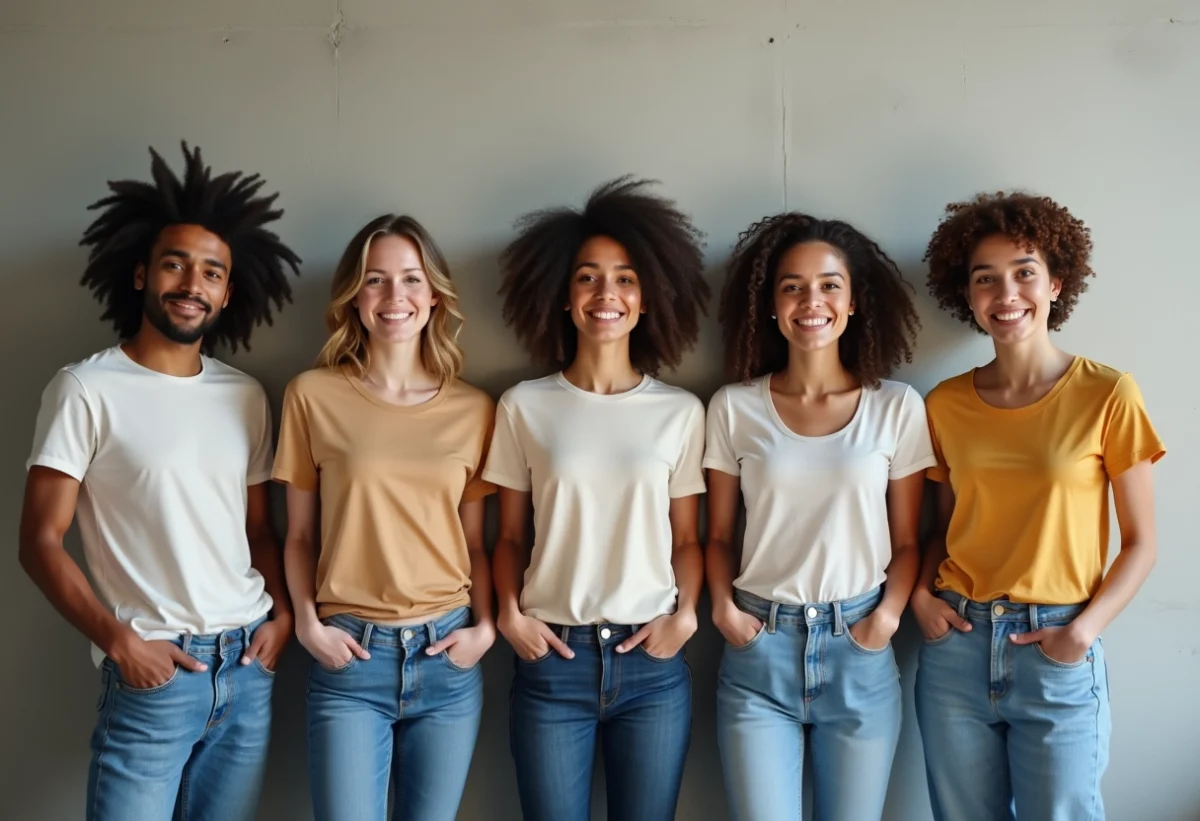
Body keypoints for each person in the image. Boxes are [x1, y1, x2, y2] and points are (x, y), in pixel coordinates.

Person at [19, 142, 300, 821]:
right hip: (155, 672)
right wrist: (119, 642)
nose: (191, 282)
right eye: (175, 263)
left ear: (228, 292)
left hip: (248, 664)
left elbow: (260, 528)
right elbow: (40, 541)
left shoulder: (246, 396)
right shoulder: (86, 389)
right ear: (142, 273)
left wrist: (283, 615)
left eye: (211, 271)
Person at [912, 192, 1166, 821]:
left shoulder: (1107, 393)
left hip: (1055, 644)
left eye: (1024, 272)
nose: (1007, 293)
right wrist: (922, 597)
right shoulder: (943, 404)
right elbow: (942, 528)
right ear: (966, 296)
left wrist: (1082, 632)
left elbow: (1141, 543)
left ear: (1056, 283)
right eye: (985, 279)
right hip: (956, 650)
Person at [484, 177, 710, 821]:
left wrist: (686, 614)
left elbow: (688, 539)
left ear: (647, 299)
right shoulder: (524, 406)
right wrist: (510, 616)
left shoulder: (679, 413)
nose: (606, 294)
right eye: (587, 278)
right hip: (551, 660)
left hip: (653, 663)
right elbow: (507, 538)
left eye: (626, 279)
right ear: (562, 295)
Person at [706, 212, 932, 820]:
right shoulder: (734, 408)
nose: (812, 301)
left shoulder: (897, 406)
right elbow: (720, 532)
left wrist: (884, 619)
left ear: (854, 301)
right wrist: (723, 611)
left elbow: (909, 541)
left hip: (860, 648)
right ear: (771, 304)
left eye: (830, 284)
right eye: (792, 286)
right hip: (758, 650)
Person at [272, 215, 496, 821]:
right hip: (350, 660)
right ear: (354, 295)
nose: (394, 298)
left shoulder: (475, 410)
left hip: (447, 657)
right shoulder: (312, 396)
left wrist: (486, 628)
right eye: (375, 280)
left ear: (434, 295)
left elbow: (476, 543)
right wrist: (308, 628)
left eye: (410, 279)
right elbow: (296, 535)